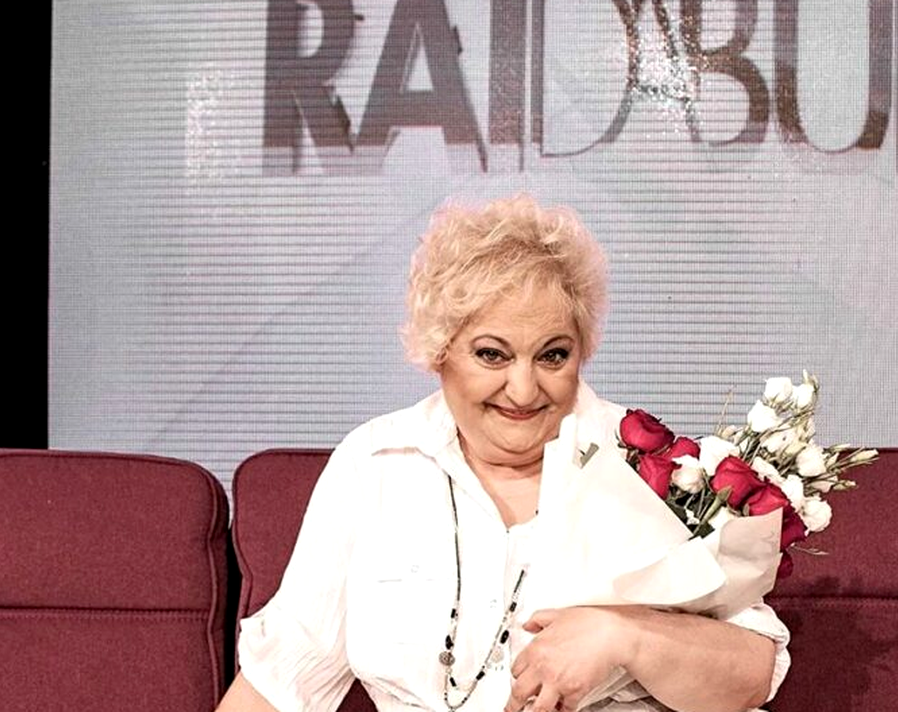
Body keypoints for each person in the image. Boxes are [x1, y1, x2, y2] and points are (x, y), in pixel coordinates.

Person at [215, 195, 790, 712]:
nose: (523, 390)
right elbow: (283, 680)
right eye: (492, 355)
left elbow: (752, 674)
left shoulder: (648, 464)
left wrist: (624, 635)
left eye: (553, 356)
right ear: (440, 350)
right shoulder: (375, 464)